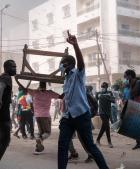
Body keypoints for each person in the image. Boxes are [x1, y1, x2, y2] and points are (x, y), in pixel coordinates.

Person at [57, 31, 109, 169]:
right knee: (62, 147)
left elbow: (80, 63)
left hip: (81, 116)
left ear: (70, 65)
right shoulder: (66, 79)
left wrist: (75, 45)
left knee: (90, 146)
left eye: (63, 63)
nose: (61, 66)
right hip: (68, 117)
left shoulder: (77, 74)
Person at [18, 81, 60, 154]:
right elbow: (61, 96)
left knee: (41, 133)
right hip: (46, 116)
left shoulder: (35, 92)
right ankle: (39, 139)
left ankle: (38, 150)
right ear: (45, 85)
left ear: (39, 85)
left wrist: (26, 82)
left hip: (37, 116)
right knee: (47, 133)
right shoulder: (49, 93)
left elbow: (23, 89)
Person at [96, 82, 115, 148]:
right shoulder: (98, 93)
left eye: (104, 87)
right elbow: (95, 101)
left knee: (105, 126)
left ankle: (98, 139)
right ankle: (109, 142)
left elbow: (113, 100)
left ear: (107, 87)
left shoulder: (110, 93)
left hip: (108, 112)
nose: (103, 88)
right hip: (101, 112)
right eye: (102, 87)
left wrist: (107, 97)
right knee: (107, 126)